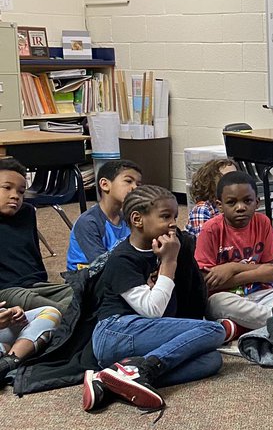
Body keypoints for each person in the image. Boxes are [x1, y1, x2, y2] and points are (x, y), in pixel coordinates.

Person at [85, 185, 225, 413]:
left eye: (175, 217)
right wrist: (169, 262)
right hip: (115, 332)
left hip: (142, 334)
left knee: (211, 360)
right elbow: (152, 310)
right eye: (165, 216)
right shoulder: (123, 259)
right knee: (214, 331)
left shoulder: (162, 247)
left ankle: (112, 380)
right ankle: (142, 370)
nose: (173, 223)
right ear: (138, 219)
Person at [0, 157, 73, 383]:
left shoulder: (27, 213)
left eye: (21, 191)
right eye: (7, 188)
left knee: (80, 294)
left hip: (37, 283)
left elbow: (33, 253)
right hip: (8, 290)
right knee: (63, 311)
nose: (16, 196)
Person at [195, 171, 273, 339]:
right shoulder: (211, 229)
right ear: (219, 205)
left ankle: (241, 328)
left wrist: (232, 267)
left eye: (247, 201)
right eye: (231, 202)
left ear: (257, 203)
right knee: (218, 303)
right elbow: (206, 284)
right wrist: (257, 274)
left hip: (260, 296)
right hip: (226, 299)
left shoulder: (262, 222)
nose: (241, 207)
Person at [66, 159, 142, 271]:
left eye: (138, 184)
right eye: (128, 181)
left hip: (120, 272)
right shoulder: (88, 222)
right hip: (88, 279)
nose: (135, 188)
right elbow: (100, 265)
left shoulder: (129, 219)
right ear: (105, 184)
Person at [186, 157, 236, 237]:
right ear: (211, 183)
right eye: (227, 178)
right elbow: (205, 243)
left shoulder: (236, 206)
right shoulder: (202, 209)